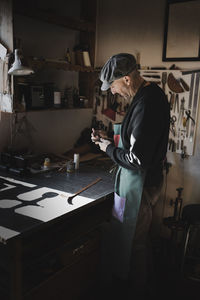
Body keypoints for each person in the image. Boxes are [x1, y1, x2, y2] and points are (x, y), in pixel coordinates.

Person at [91, 53, 170, 299]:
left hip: (140, 184)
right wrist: (109, 141)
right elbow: (136, 144)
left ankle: (135, 292)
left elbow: (138, 160)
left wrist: (108, 150)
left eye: (113, 86)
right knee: (135, 241)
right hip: (138, 181)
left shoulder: (147, 103)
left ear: (126, 79)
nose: (112, 93)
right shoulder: (145, 96)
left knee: (135, 245)